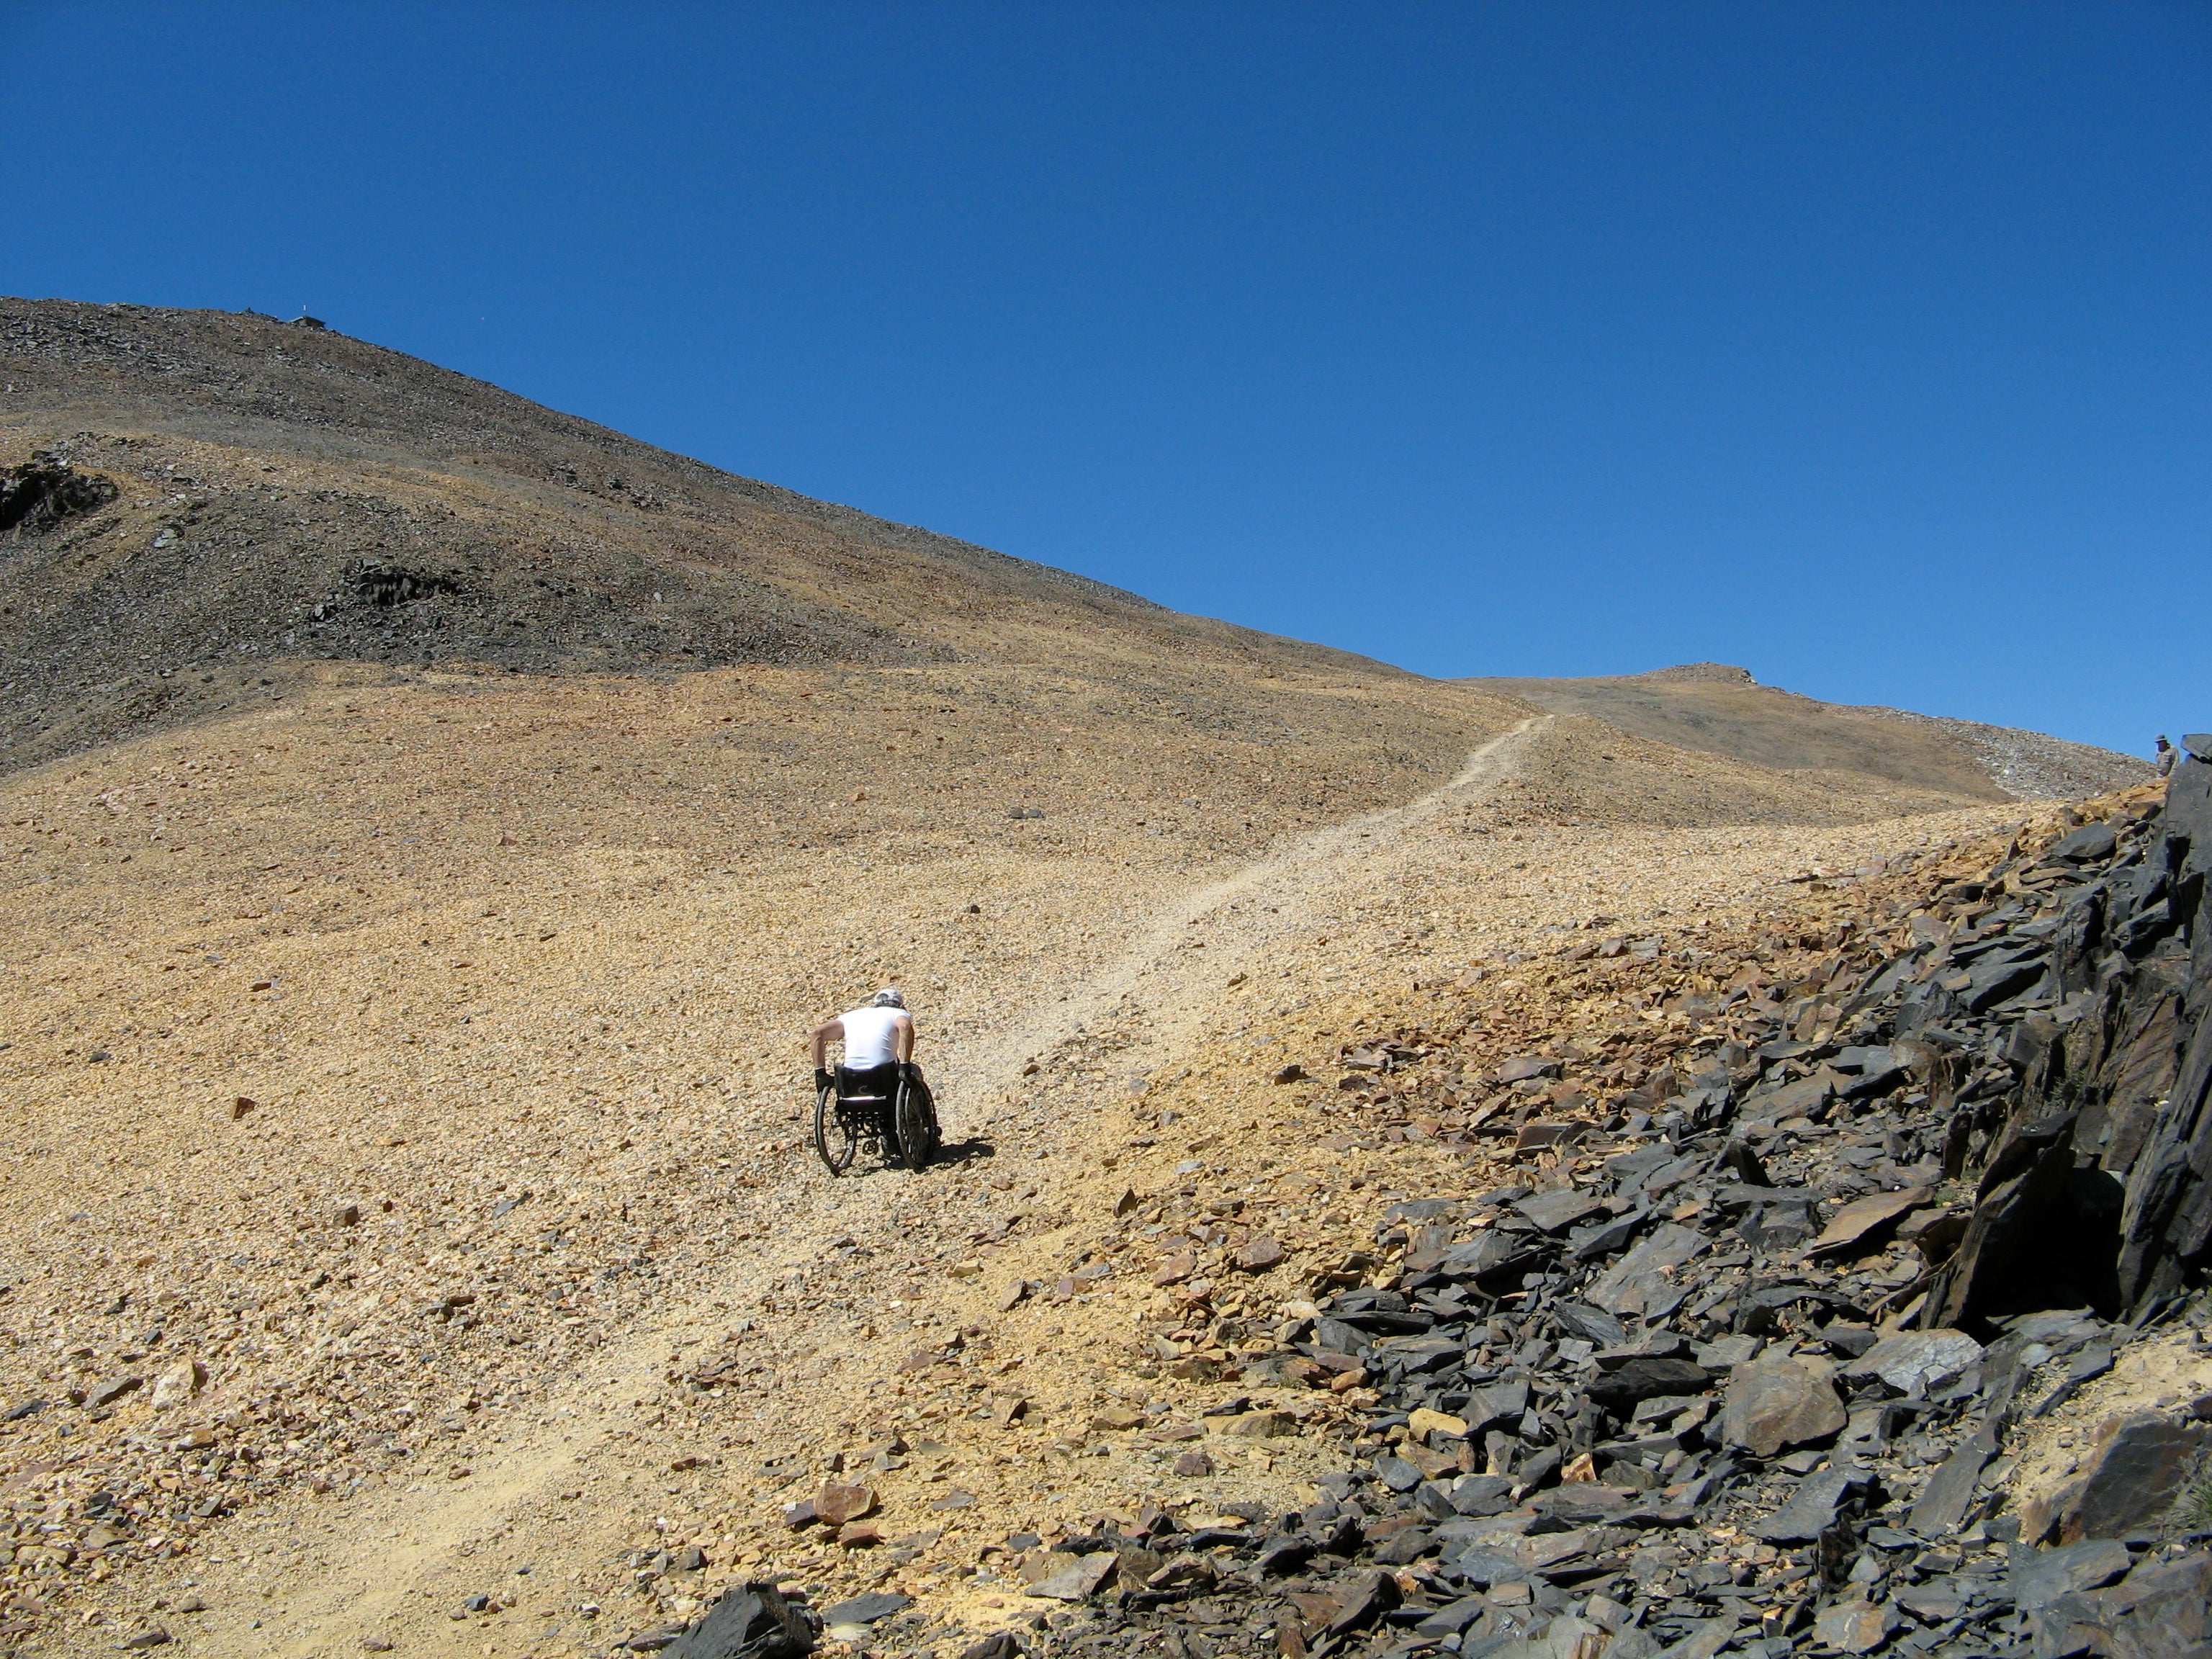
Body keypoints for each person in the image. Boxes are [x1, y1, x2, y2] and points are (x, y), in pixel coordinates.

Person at [811, 988, 920, 1102]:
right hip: (882, 1079)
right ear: (900, 1005)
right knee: (913, 1070)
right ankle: (917, 1112)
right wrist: (904, 1066)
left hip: (849, 1079)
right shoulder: (897, 1013)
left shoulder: (851, 1016)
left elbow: (817, 1033)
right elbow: (905, 1027)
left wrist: (820, 1074)